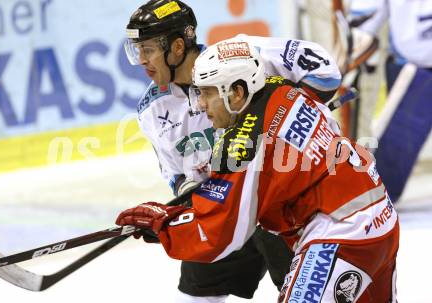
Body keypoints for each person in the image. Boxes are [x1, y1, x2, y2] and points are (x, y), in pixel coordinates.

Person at [116, 37, 399, 302]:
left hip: (341, 233)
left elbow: (220, 234)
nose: (201, 105)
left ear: (237, 92)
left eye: (207, 93)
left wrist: (163, 224)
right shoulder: (281, 87)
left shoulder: (242, 144)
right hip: (380, 216)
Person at [123, 0, 341, 301]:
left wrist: (298, 112)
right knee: (196, 296)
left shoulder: (241, 56)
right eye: (137, 51)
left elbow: (324, 70)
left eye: (147, 50)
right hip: (224, 207)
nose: (141, 60)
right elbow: (176, 173)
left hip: (278, 205)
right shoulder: (152, 109)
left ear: (176, 47)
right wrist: (183, 206)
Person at [356, 0, 432, 202]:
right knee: (385, 180)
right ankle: (374, 199)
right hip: (411, 66)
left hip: (410, 60)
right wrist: (358, 36)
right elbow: (363, 19)